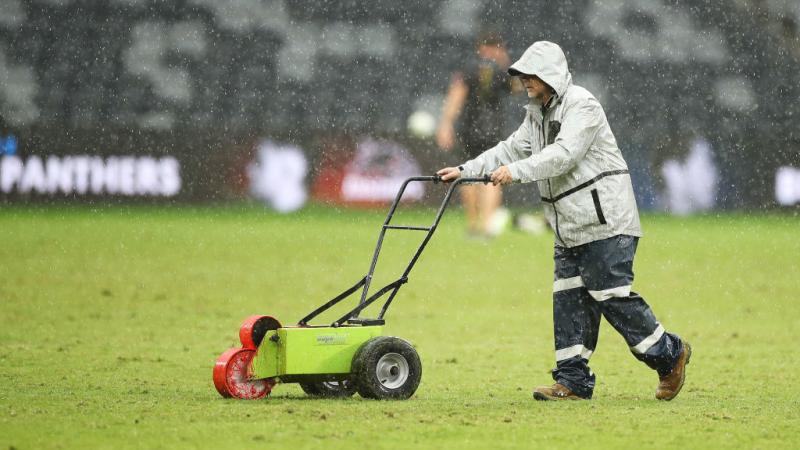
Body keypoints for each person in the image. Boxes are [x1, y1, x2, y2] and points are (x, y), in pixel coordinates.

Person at [437, 41, 691, 401]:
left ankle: (670, 353)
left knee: (610, 297)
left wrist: (515, 172)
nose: (523, 80)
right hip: (568, 226)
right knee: (568, 300)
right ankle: (572, 382)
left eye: (530, 74)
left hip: (607, 222)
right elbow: (509, 148)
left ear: (549, 76)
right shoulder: (536, 113)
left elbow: (564, 155)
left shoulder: (582, 106)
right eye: (522, 74)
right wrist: (465, 170)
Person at [436, 31, 514, 238]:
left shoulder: (469, 68)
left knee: (467, 175)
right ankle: (487, 226)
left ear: (480, 47)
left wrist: (446, 123)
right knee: (492, 178)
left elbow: (456, 95)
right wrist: (505, 61)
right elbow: (517, 88)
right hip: (493, 131)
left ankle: (473, 225)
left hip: (469, 130)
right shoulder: (502, 70)